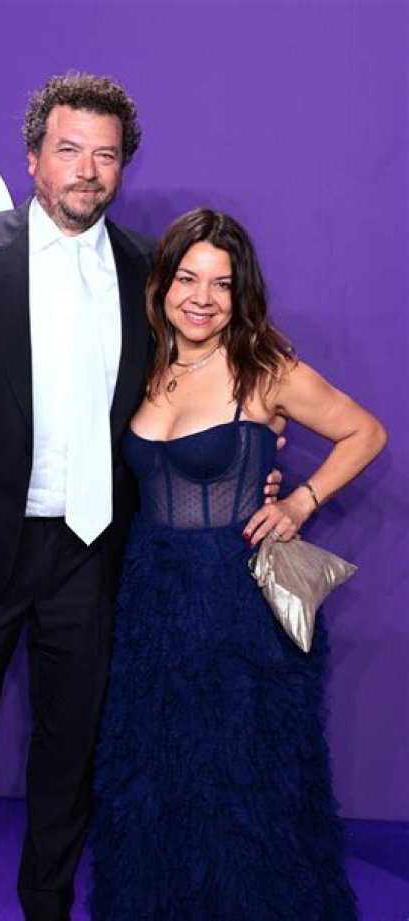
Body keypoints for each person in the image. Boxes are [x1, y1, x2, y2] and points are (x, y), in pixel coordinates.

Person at [0, 74, 280, 921]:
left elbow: (198, 387)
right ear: (33, 158)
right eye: (69, 150)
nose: (87, 170)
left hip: (95, 555)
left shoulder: (150, 271)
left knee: (71, 753)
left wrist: (256, 467)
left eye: (106, 155)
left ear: (122, 167)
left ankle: (48, 909)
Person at [89, 208, 387, 920]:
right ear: (162, 283)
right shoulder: (144, 363)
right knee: (158, 765)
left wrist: (301, 500)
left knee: (243, 776)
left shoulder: (263, 368)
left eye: (221, 284)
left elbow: (364, 431)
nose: (202, 298)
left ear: (240, 292)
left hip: (239, 607)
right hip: (151, 602)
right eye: (188, 279)